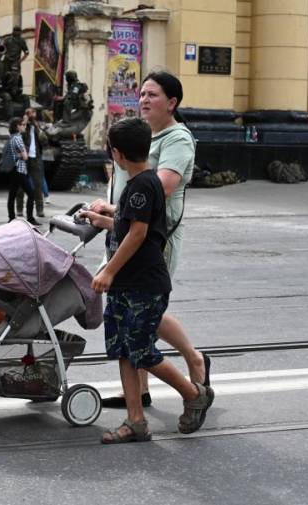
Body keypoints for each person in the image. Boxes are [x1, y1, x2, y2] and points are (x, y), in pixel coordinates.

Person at [80, 118, 214, 443]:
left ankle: (193, 393)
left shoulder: (141, 186)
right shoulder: (139, 183)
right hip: (127, 284)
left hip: (144, 284)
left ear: (117, 153)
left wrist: (108, 270)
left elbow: (138, 234)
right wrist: (101, 219)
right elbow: (129, 226)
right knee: (125, 350)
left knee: (141, 351)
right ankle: (135, 421)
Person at [100, 70, 209, 409]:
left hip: (155, 236)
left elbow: (161, 187)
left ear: (172, 102)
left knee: (144, 306)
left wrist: (116, 209)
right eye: (142, 94)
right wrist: (108, 210)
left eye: (153, 95)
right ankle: (139, 391)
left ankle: (193, 359)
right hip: (124, 226)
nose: (144, 100)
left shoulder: (177, 138)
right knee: (140, 309)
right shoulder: (139, 135)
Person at [16, 106, 47, 218]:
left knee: (38, 185)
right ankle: (19, 209)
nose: (32, 115)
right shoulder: (22, 125)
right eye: (30, 113)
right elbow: (19, 136)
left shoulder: (38, 126)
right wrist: (24, 122)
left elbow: (45, 141)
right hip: (24, 158)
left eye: (34, 112)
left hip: (36, 158)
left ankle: (40, 210)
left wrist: (37, 128)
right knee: (21, 186)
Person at [6, 117, 38, 225]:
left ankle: (11, 218)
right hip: (19, 170)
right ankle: (30, 218)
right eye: (23, 125)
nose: (25, 126)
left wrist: (18, 154)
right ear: (17, 126)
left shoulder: (11, 137)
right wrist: (23, 153)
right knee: (31, 194)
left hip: (14, 169)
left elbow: (15, 154)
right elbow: (25, 157)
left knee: (12, 194)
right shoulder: (18, 138)